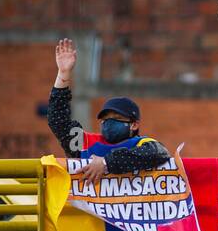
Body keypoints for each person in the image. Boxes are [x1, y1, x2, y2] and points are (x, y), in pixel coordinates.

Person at [47, 38, 170, 178]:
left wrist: (106, 163)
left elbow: (160, 152)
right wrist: (63, 74)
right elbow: (58, 120)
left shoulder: (143, 145)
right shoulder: (84, 143)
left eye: (117, 118)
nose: (109, 123)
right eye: (105, 119)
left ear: (134, 124)